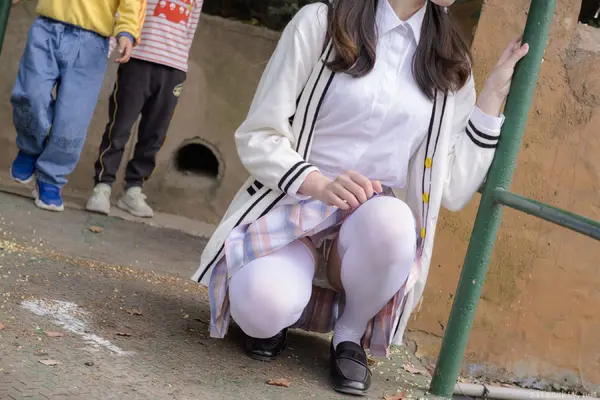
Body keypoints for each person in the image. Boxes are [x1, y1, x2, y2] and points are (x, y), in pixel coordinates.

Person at [191, 0, 528, 395]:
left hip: (368, 228)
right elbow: (259, 134)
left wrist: (492, 94)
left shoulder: (448, 56)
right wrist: (317, 183)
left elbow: (452, 189)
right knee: (262, 308)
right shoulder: (322, 23)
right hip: (291, 209)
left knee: (395, 222)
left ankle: (349, 335)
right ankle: (279, 310)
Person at [9, 0, 145, 212]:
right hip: (47, 26)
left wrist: (127, 30)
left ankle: (51, 177)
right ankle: (30, 147)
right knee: (30, 94)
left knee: (73, 117)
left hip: (92, 41)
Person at [85, 0, 204, 218]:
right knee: (119, 127)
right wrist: (109, 47)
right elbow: (124, 10)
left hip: (174, 68)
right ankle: (102, 186)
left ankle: (133, 188)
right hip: (138, 59)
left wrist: (180, 61)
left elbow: (190, 29)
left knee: (155, 133)